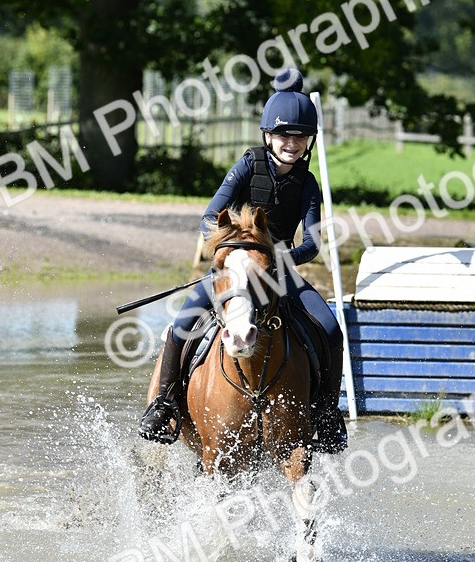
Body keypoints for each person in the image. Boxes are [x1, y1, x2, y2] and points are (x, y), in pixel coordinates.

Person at [138, 68, 347, 453]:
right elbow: (207, 218)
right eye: (284, 135)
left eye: (300, 137)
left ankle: (326, 413)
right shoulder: (248, 165)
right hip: (233, 268)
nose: (292, 143)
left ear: (309, 141)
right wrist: (228, 250)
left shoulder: (308, 184)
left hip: (278, 273)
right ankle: (165, 403)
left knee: (331, 329)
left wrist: (280, 258)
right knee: (180, 324)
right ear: (268, 135)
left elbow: (313, 243)